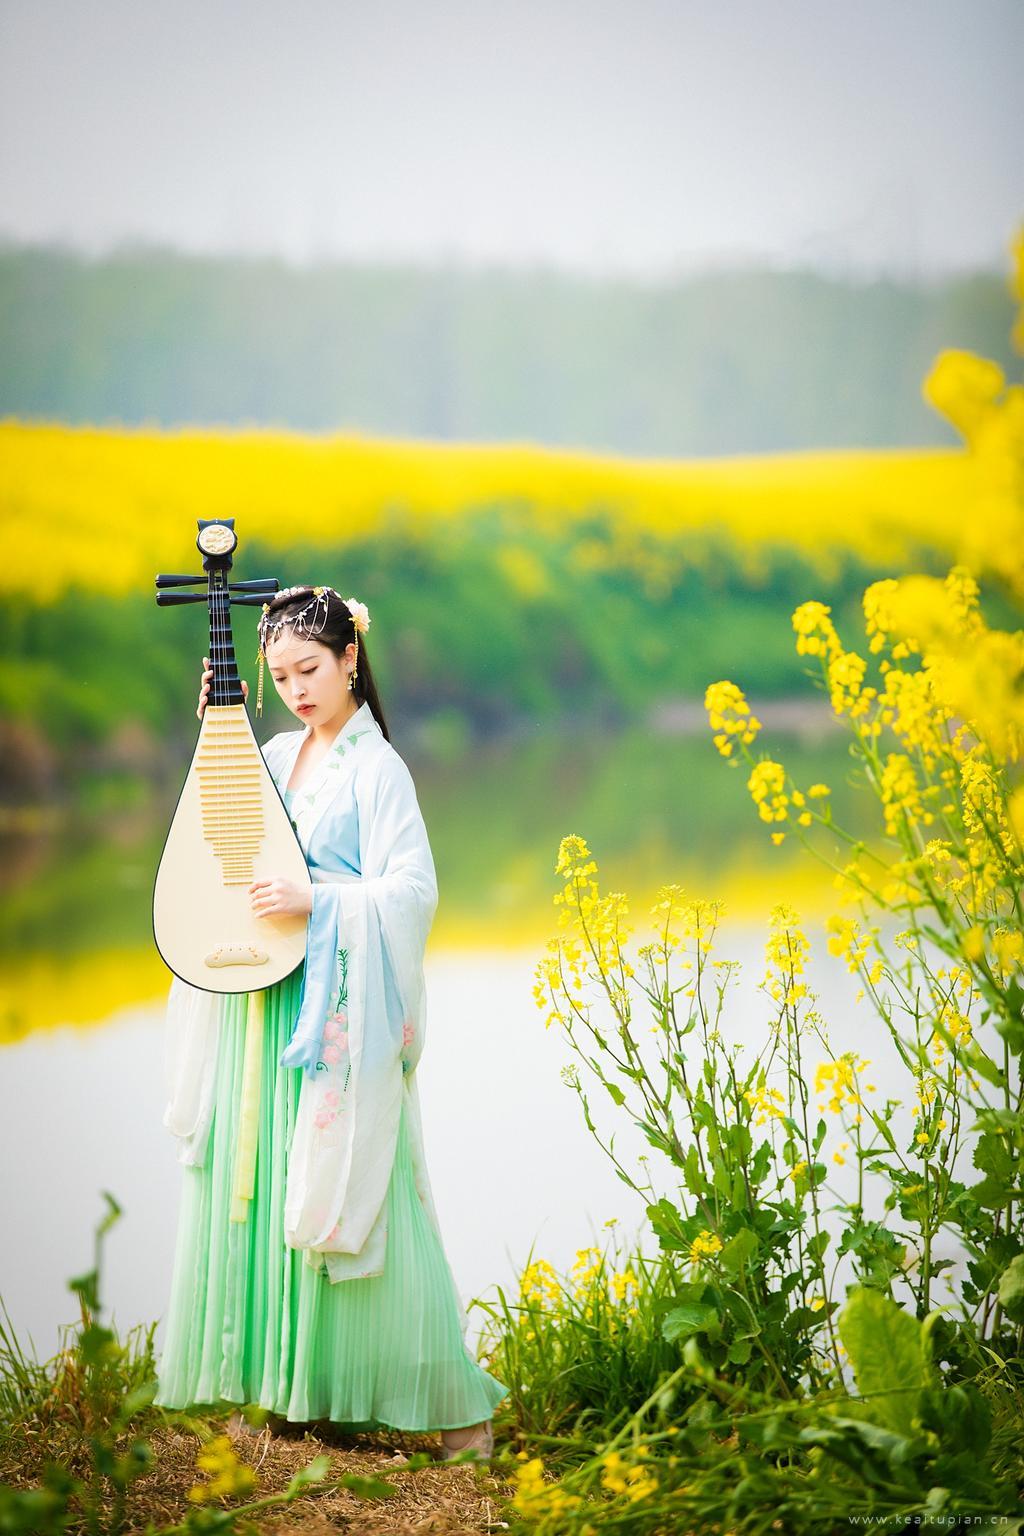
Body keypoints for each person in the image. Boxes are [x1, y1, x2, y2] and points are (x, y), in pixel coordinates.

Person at [153, 584, 506, 1462]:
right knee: (268, 1181)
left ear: (351, 658)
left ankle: (457, 1412)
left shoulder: (377, 770)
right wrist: (218, 730)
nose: (297, 690)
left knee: (366, 1189)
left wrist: (317, 901)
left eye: (309, 669)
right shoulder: (274, 754)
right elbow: (224, 837)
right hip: (266, 1000)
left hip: (337, 1006)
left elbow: (412, 891)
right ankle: (291, 1391)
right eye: (280, 677)